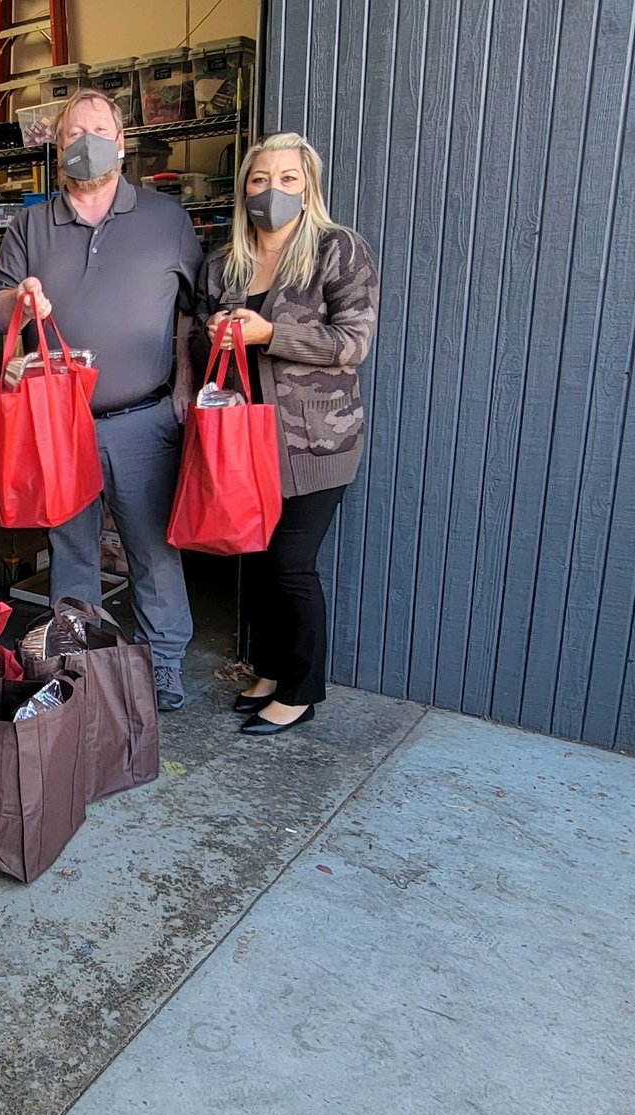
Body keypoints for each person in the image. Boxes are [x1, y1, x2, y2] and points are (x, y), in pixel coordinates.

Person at [0, 88, 205, 711]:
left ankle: (163, 666)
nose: (87, 141)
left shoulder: (165, 220)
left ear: (122, 140)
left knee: (153, 551)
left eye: (98, 128)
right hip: (60, 424)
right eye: (73, 132)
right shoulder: (30, 225)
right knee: (73, 550)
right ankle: (75, 665)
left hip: (144, 419)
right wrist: (20, 297)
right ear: (59, 147)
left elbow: (190, 312)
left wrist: (184, 385)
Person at [192, 132, 380, 735]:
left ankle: (300, 689)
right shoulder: (225, 262)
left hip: (315, 442)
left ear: (310, 187)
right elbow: (198, 335)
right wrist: (215, 332)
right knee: (258, 560)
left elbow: (353, 344)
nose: (273, 191)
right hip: (242, 440)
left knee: (292, 565)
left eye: (288, 179)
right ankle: (270, 670)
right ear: (244, 187)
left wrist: (269, 334)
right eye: (260, 179)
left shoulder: (337, 250)